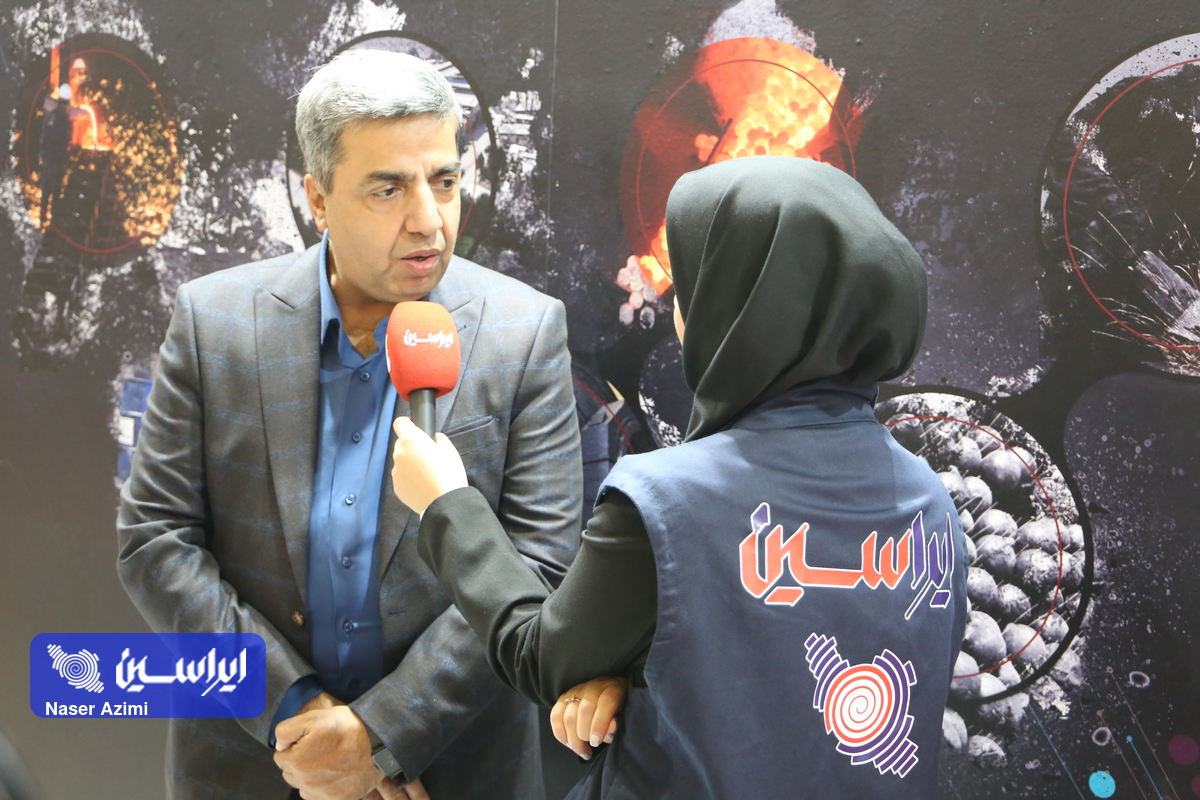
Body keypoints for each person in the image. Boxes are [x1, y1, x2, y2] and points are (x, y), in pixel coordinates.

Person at [389, 156, 969, 799]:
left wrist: (447, 503)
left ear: (737, 311)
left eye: (694, 286)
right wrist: (646, 675)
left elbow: (541, 655)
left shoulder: (668, 501)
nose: (676, 311)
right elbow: (795, 678)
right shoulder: (931, 504)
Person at [117, 49, 582, 800]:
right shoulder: (214, 322)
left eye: (445, 181)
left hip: (453, 770)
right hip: (254, 766)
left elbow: (540, 563)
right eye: (388, 188)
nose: (428, 220)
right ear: (318, 198)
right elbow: (156, 541)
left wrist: (382, 736)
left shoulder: (524, 331)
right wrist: (297, 715)